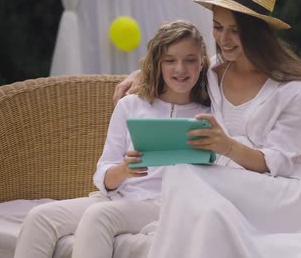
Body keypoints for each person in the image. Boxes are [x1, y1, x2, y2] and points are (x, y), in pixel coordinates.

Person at [114, 0, 301, 257]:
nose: (223, 39)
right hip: (227, 185)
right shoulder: (216, 71)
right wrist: (141, 73)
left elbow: (277, 164)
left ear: (257, 33)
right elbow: (180, 67)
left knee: (183, 175)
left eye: (235, 30)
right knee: (187, 181)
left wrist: (226, 145)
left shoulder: (293, 91)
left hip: (281, 193)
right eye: (217, 27)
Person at [13, 20, 210, 258]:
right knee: (40, 217)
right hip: (117, 197)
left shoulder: (209, 115)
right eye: (170, 60)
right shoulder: (131, 105)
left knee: (99, 217)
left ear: (202, 62)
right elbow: (104, 170)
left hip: (162, 205)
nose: (180, 68)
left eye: (190, 60)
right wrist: (124, 170)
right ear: (158, 63)